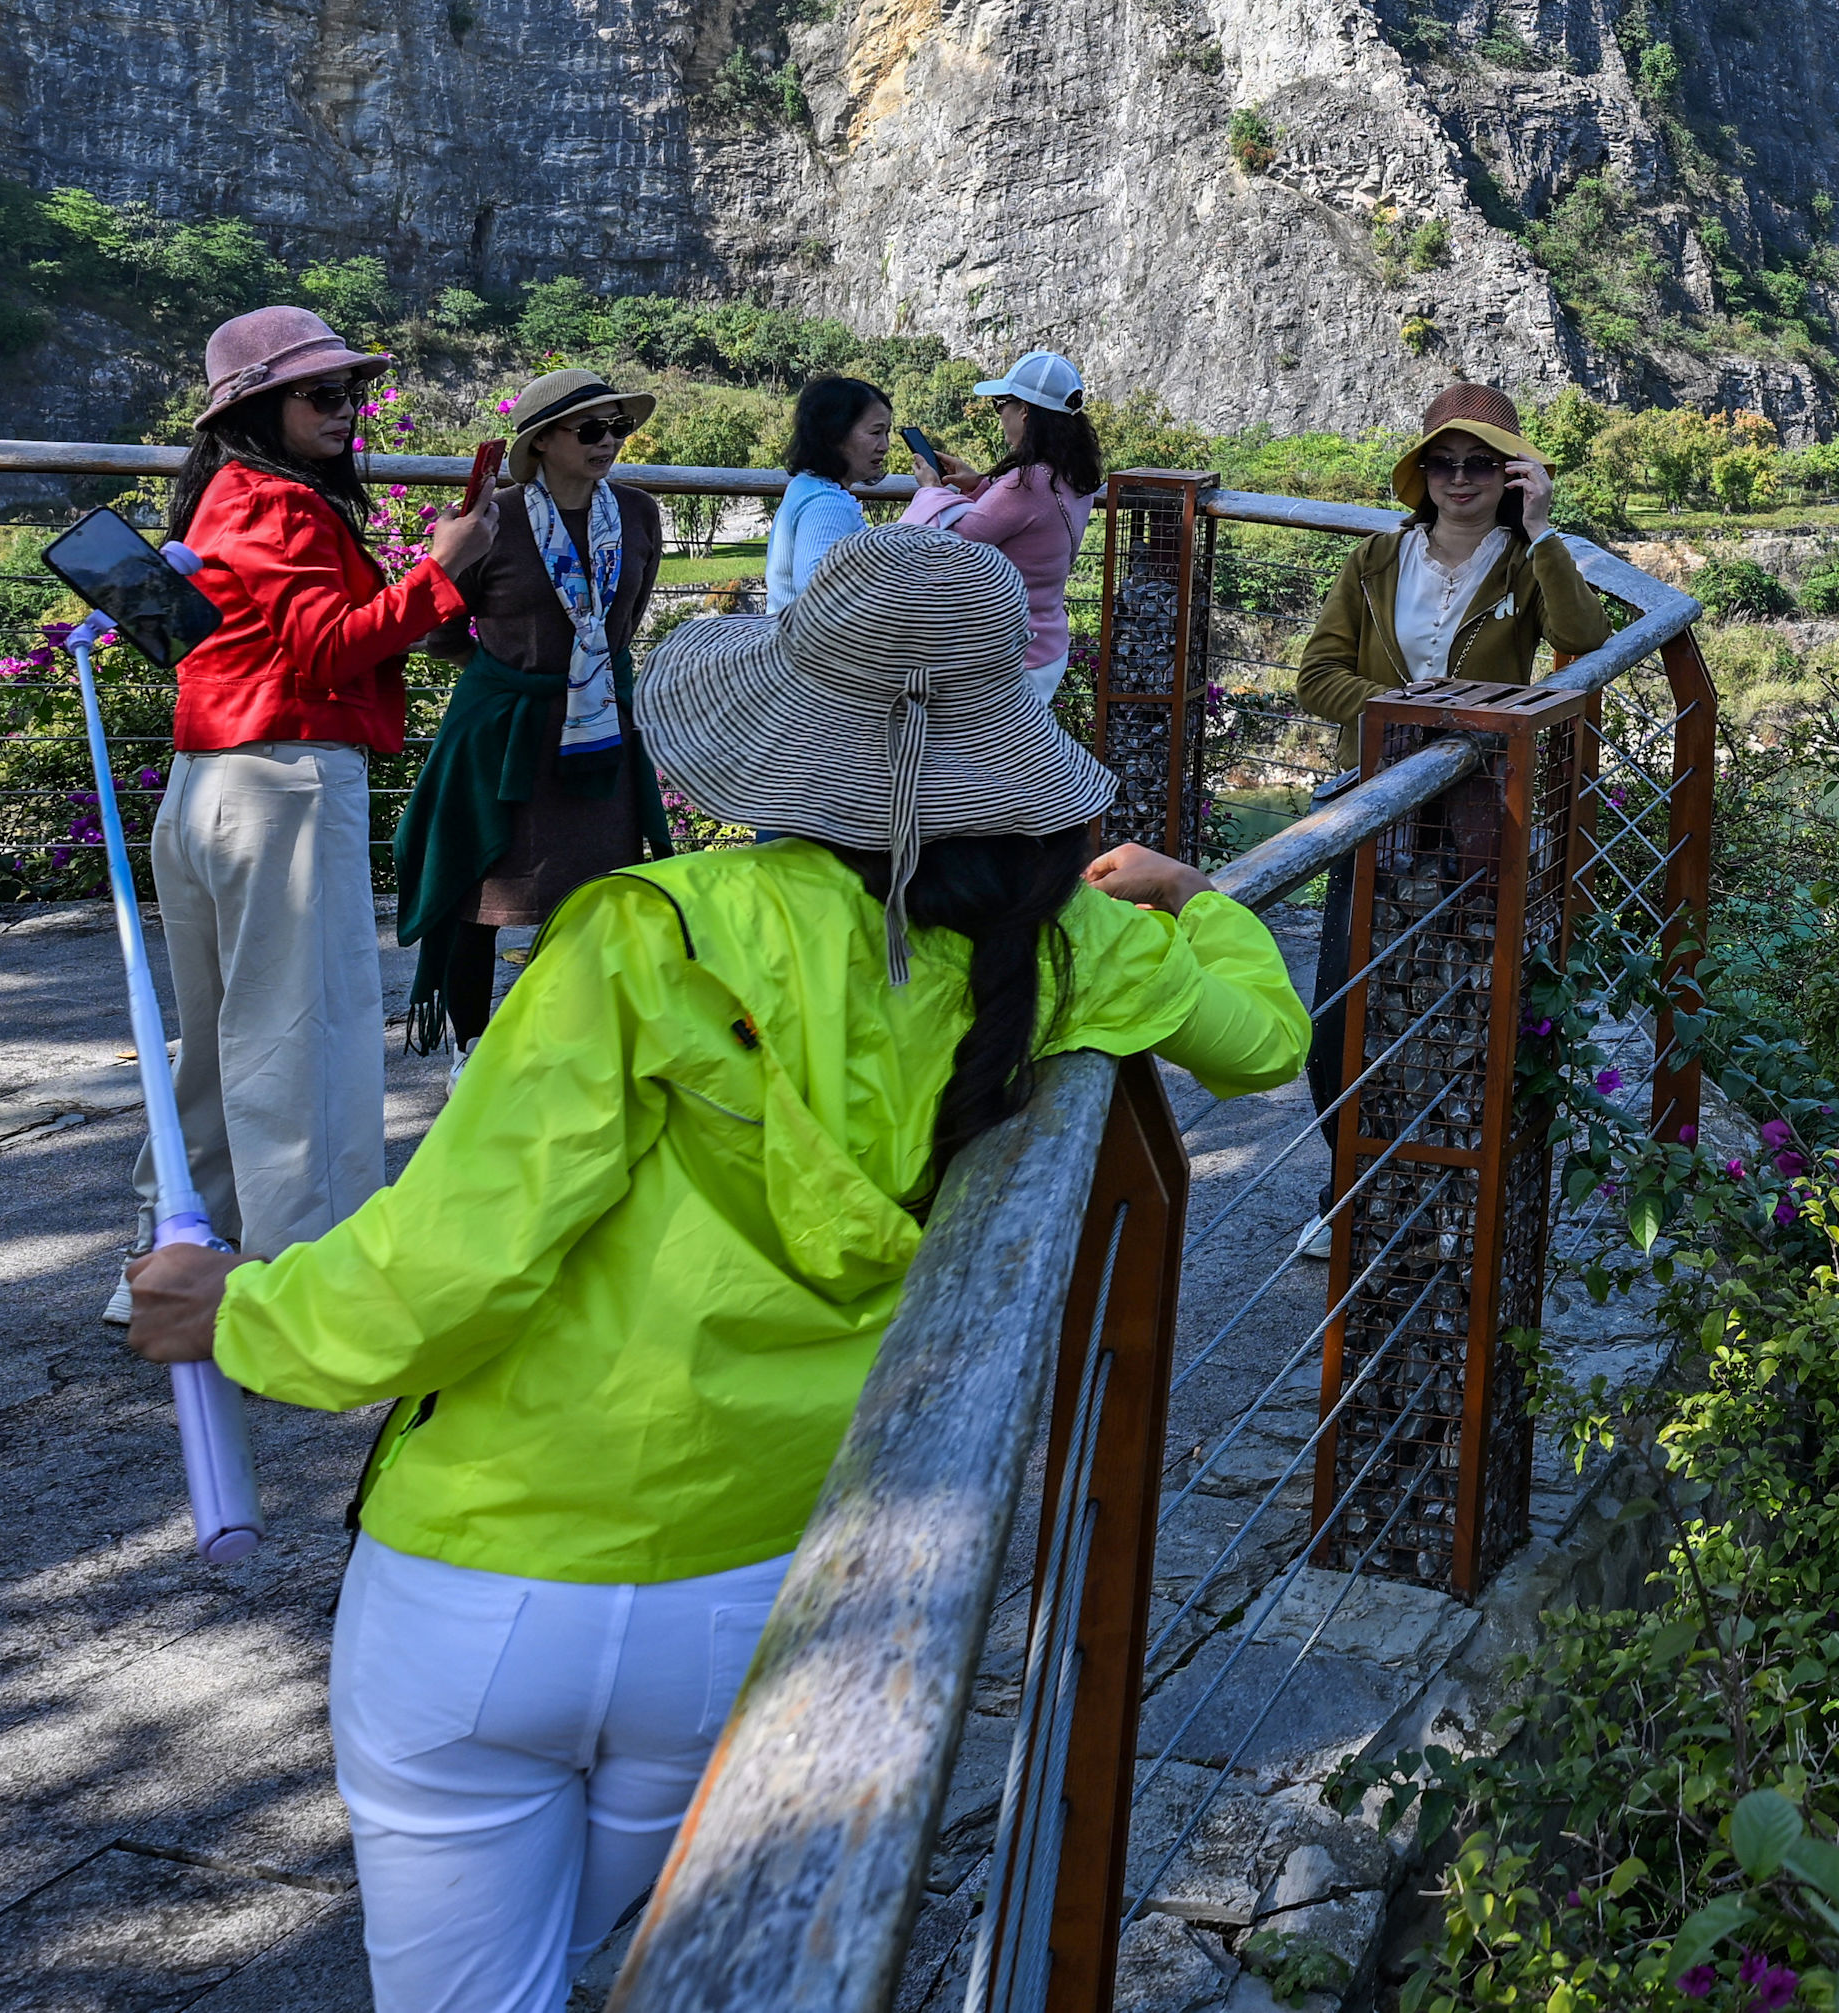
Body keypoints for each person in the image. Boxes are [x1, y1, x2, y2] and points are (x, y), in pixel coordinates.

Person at [122, 525, 1309, 2013]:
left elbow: (449, 1269)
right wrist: (1194, 896)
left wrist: (237, 1312)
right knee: (610, 1953)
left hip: (489, 1572)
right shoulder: (1069, 947)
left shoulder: (657, 931)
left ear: (793, 734)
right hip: (760, 1580)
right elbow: (1266, 1043)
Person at [117, 307, 499, 1321]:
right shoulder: (279, 503)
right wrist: (446, 568)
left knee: (215, 1046)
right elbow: (328, 648)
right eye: (320, 394)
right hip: (283, 782)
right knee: (305, 1039)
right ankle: (317, 1296)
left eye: (351, 391)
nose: (346, 409)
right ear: (257, 409)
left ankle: (171, 1266)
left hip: (207, 782)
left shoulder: (221, 497)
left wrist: (423, 593)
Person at [1286, 383, 1613, 1254]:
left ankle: (1442, 1197)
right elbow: (1317, 675)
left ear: (1512, 475)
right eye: (1444, 462)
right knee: (1344, 1011)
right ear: (1422, 472)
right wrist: (1408, 712)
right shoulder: (1375, 560)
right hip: (1376, 810)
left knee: (1458, 1010)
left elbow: (1584, 636)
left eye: (1482, 463)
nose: (1460, 478)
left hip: (1476, 819)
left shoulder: (1524, 562)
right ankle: (1346, 1188)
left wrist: (1543, 529)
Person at [398, 370, 674, 1056]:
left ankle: (578, 1049)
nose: (609, 441)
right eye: (591, 429)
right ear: (543, 441)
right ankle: (470, 1052)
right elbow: (441, 629)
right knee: (480, 895)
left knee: (596, 895)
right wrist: (516, 675)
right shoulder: (493, 520)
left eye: (618, 427)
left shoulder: (637, 513)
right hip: (505, 732)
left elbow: (624, 622)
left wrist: (580, 677)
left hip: (598, 733)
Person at [907, 349, 1096, 721]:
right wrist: (980, 485)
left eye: (1000, 405)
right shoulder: (1073, 474)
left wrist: (930, 490)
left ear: (1024, 411)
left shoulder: (1026, 483)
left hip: (1010, 657)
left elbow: (951, 544)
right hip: (1046, 645)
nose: (999, 416)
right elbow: (1026, 524)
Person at [767, 375, 893, 612]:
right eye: (875, 432)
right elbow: (816, 591)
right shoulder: (827, 503)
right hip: (807, 637)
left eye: (887, 432)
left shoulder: (806, 485)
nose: (884, 446)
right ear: (835, 435)